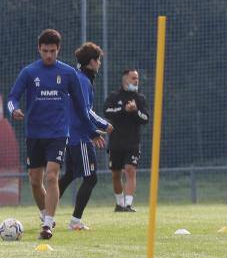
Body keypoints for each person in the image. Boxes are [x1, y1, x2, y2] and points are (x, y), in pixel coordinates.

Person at [6, 29, 102, 240]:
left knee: (52, 175)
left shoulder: (68, 74)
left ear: (58, 50)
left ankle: (48, 225)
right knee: (34, 179)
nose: (48, 55)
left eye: (52, 51)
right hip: (34, 133)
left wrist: (92, 131)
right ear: (39, 50)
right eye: (44, 51)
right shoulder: (30, 72)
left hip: (58, 133)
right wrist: (14, 109)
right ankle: (45, 215)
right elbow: (12, 97)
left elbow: (81, 108)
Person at [58, 42, 114, 230]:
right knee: (91, 178)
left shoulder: (80, 78)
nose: (99, 63)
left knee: (70, 175)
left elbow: (82, 110)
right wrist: (103, 126)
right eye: (98, 60)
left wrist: (94, 130)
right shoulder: (82, 80)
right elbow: (84, 110)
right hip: (79, 137)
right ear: (91, 62)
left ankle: (46, 213)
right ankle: (75, 222)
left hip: (72, 134)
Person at [104, 69, 149, 212]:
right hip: (116, 143)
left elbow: (145, 119)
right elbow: (107, 112)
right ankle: (119, 204)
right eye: (133, 78)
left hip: (133, 143)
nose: (136, 80)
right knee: (116, 174)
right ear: (125, 80)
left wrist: (135, 111)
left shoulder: (140, 99)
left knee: (130, 171)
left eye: (137, 78)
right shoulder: (114, 96)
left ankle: (128, 204)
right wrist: (124, 110)